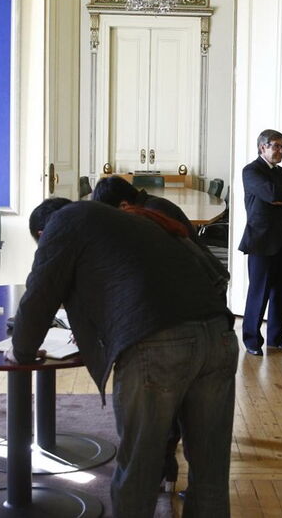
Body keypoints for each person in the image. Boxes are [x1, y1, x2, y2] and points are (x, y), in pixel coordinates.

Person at [7, 198, 237, 517]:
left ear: (43, 232)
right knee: (210, 473)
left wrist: (21, 351)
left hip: (159, 344)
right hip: (219, 335)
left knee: (138, 471)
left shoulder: (65, 223)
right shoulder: (130, 220)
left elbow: (39, 294)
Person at [92, 174, 229, 492]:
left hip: (196, 304)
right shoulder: (154, 206)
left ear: (124, 206)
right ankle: (167, 470)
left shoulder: (148, 218)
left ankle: (162, 470)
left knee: (169, 396)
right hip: (202, 299)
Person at [239, 129, 282, 356]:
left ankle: (276, 337)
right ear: (262, 147)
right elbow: (269, 194)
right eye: (276, 146)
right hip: (262, 241)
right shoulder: (251, 170)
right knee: (259, 291)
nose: (280, 151)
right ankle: (251, 340)